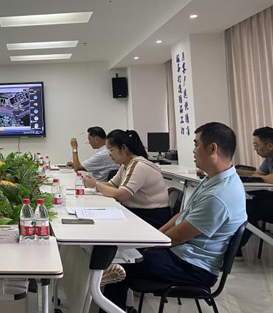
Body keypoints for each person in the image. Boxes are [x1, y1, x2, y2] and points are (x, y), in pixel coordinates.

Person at [101, 122, 247, 312]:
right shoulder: (213, 180)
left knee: (121, 263)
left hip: (193, 267)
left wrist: (149, 246)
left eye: (196, 144)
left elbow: (177, 237)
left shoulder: (218, 195)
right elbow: (182, 214)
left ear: (212, 149)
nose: (193, 150)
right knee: (124, 256)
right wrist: (155, 237)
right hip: (183, 255)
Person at [83, 129, 171, 229]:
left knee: (106, 228)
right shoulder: (126, 164)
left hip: (151, 216)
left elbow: (121, 195)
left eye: (111, 150)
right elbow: (112, 185)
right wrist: (92, 183)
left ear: (124, 148)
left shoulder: (138, 165)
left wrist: (96, 185)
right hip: (138, 212)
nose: (109, 154)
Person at [237, 126, 273, 257]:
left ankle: (236, 248)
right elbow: (259, 173)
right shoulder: (269, 158)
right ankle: (236, 247)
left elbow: (270, 178)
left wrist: (261, 177)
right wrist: (234, 170)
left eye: (256, 145)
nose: (254, 148)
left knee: (249, 208)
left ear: (269, 146)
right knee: (247, 201)